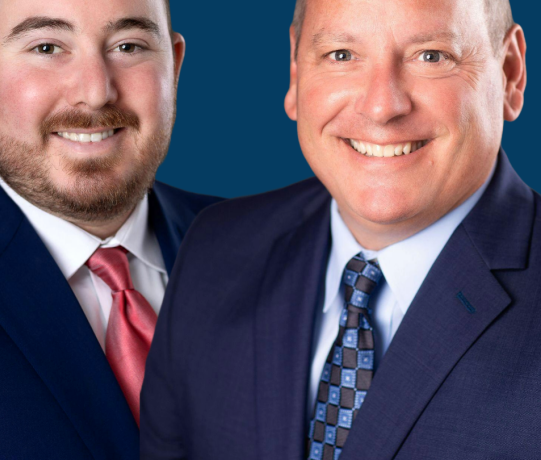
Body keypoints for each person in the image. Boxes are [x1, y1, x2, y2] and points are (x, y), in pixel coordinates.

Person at [141, 0, 536, 458]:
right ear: (295, 71)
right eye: (341, 55)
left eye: (431, 56)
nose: (382, 106)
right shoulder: (215, 248)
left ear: (510, 73)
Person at [0, 0, 221, 457]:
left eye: (129, 46)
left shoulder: (268, 251)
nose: (96, 92)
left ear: (174, 65)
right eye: (47, 47)